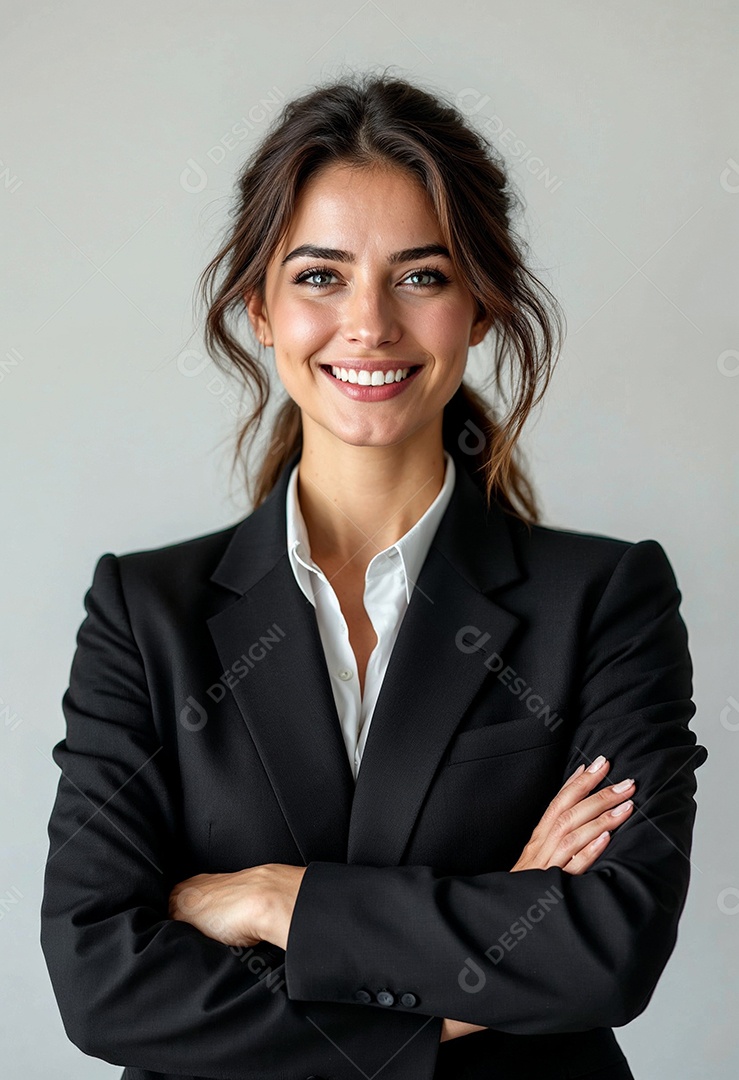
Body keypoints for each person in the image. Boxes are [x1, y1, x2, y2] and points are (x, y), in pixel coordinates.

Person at [40, 72, 708, 1080]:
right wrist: (466, 972)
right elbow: (104, 981)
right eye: (318, 276)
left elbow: (602, 951)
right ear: (258, 307)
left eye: (420, 276)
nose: (369, 324)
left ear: (479, 305)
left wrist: (276, 899)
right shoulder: (145, 614)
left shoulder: (605, 600)